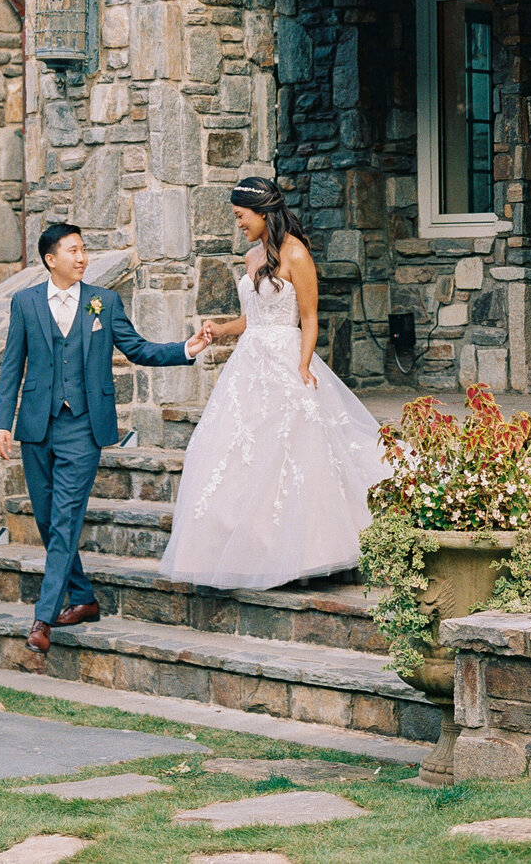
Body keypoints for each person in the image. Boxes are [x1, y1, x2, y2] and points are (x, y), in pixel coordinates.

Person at [158, 177, 386, 590]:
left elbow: (310, 316)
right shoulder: (251, 257)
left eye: (242, 217)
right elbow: (253, 318)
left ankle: (300, 554)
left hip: (285, 357)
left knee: (292, 449)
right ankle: (250, 552)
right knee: (233, 450)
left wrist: (303, 365)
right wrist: (220, 329)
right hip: (249, 363)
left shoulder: (296, 253)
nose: (239, 224)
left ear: (263, 213)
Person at [0, 222, 210, 655]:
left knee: (66, 518)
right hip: (36, 427)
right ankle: (86, 599)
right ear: (50, 259)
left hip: (83, 427)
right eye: (72, 251)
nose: (82, 257)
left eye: (84, 249)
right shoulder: (25, 302)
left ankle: (42, 619)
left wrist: (184, 349)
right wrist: (2, 422)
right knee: (47, 520)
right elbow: (11, 365)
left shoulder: (103, 301)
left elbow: (138, 349)